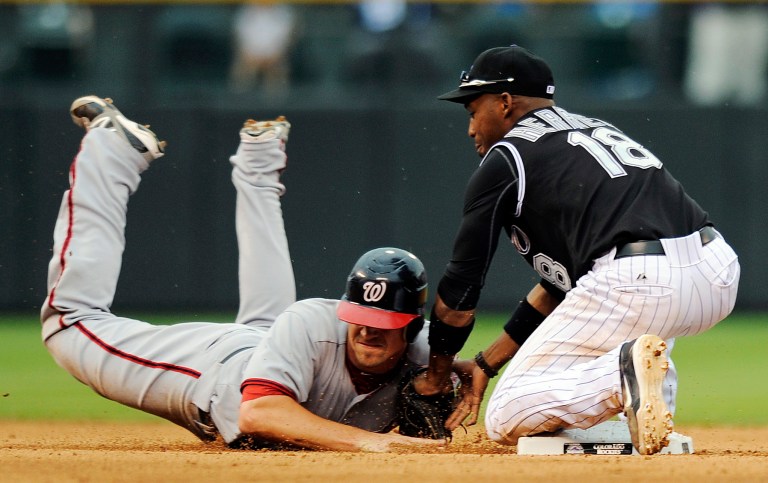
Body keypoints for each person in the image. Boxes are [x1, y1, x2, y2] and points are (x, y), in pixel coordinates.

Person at [40, 95, 448, 452]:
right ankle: (112, 153)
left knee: (268, 325)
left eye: (383, 322)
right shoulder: (312, 320)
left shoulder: (429, 355)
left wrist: (460, 370)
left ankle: (259, 164)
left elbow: (459, 368)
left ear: (412, 329)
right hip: (214, 370)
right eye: (359, 318)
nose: (367, 330)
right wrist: (372, 442)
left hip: (267, 347)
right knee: (69, 323)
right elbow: (258, 415)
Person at [414, 46, 740, 454]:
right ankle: (643, 398)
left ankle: (623, 379)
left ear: (504, 102)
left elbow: (460, 291)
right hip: (716, 271)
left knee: (506, 416)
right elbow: (561, 284)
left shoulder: (508, 155)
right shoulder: (588, 128)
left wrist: (436, 377)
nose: (470, 128)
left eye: (472, 111)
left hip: (641, 282)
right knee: (632, 325)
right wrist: (484, 364)